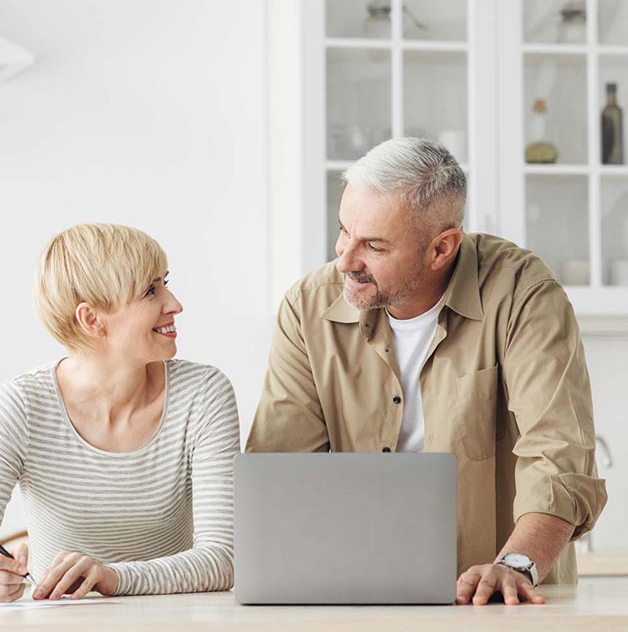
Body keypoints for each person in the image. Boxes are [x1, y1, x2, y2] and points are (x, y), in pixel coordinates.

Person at [246, 137, 607, 606]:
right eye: (343, 231)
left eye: (373, 246)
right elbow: (279, 470)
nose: (345, 260)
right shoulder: (307, 308)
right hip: (355, 596)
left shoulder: (523, 293)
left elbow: (557, 453)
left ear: (442, 248)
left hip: (499, 601)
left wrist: (516, 564)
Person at [0, 223, 240, 601]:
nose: (174, 303)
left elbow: (223, 557)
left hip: (175, 621)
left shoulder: (203, 394)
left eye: (165, 282)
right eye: (150, 291)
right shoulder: (23, 405)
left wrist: (113, 578)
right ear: (92, 320)